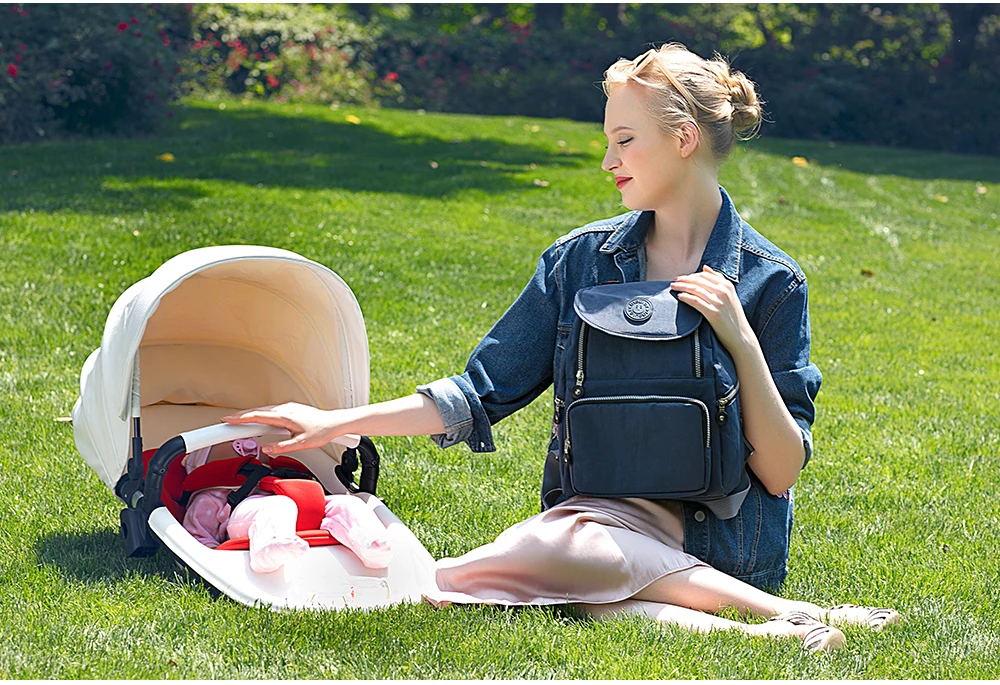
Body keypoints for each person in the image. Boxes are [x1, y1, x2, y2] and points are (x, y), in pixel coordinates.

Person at [222, 43, 897, 651]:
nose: (609, 162)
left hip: (718, 540)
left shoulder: (770, 280)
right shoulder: (579, 263)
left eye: (625, 141)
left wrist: (740, 339)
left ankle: (769, 605)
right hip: (596, 527)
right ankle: (788, 624)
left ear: (685, 137)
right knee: (580, 568)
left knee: (566, 565)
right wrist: (332, 423)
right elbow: (479, 392)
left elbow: (780, 471)